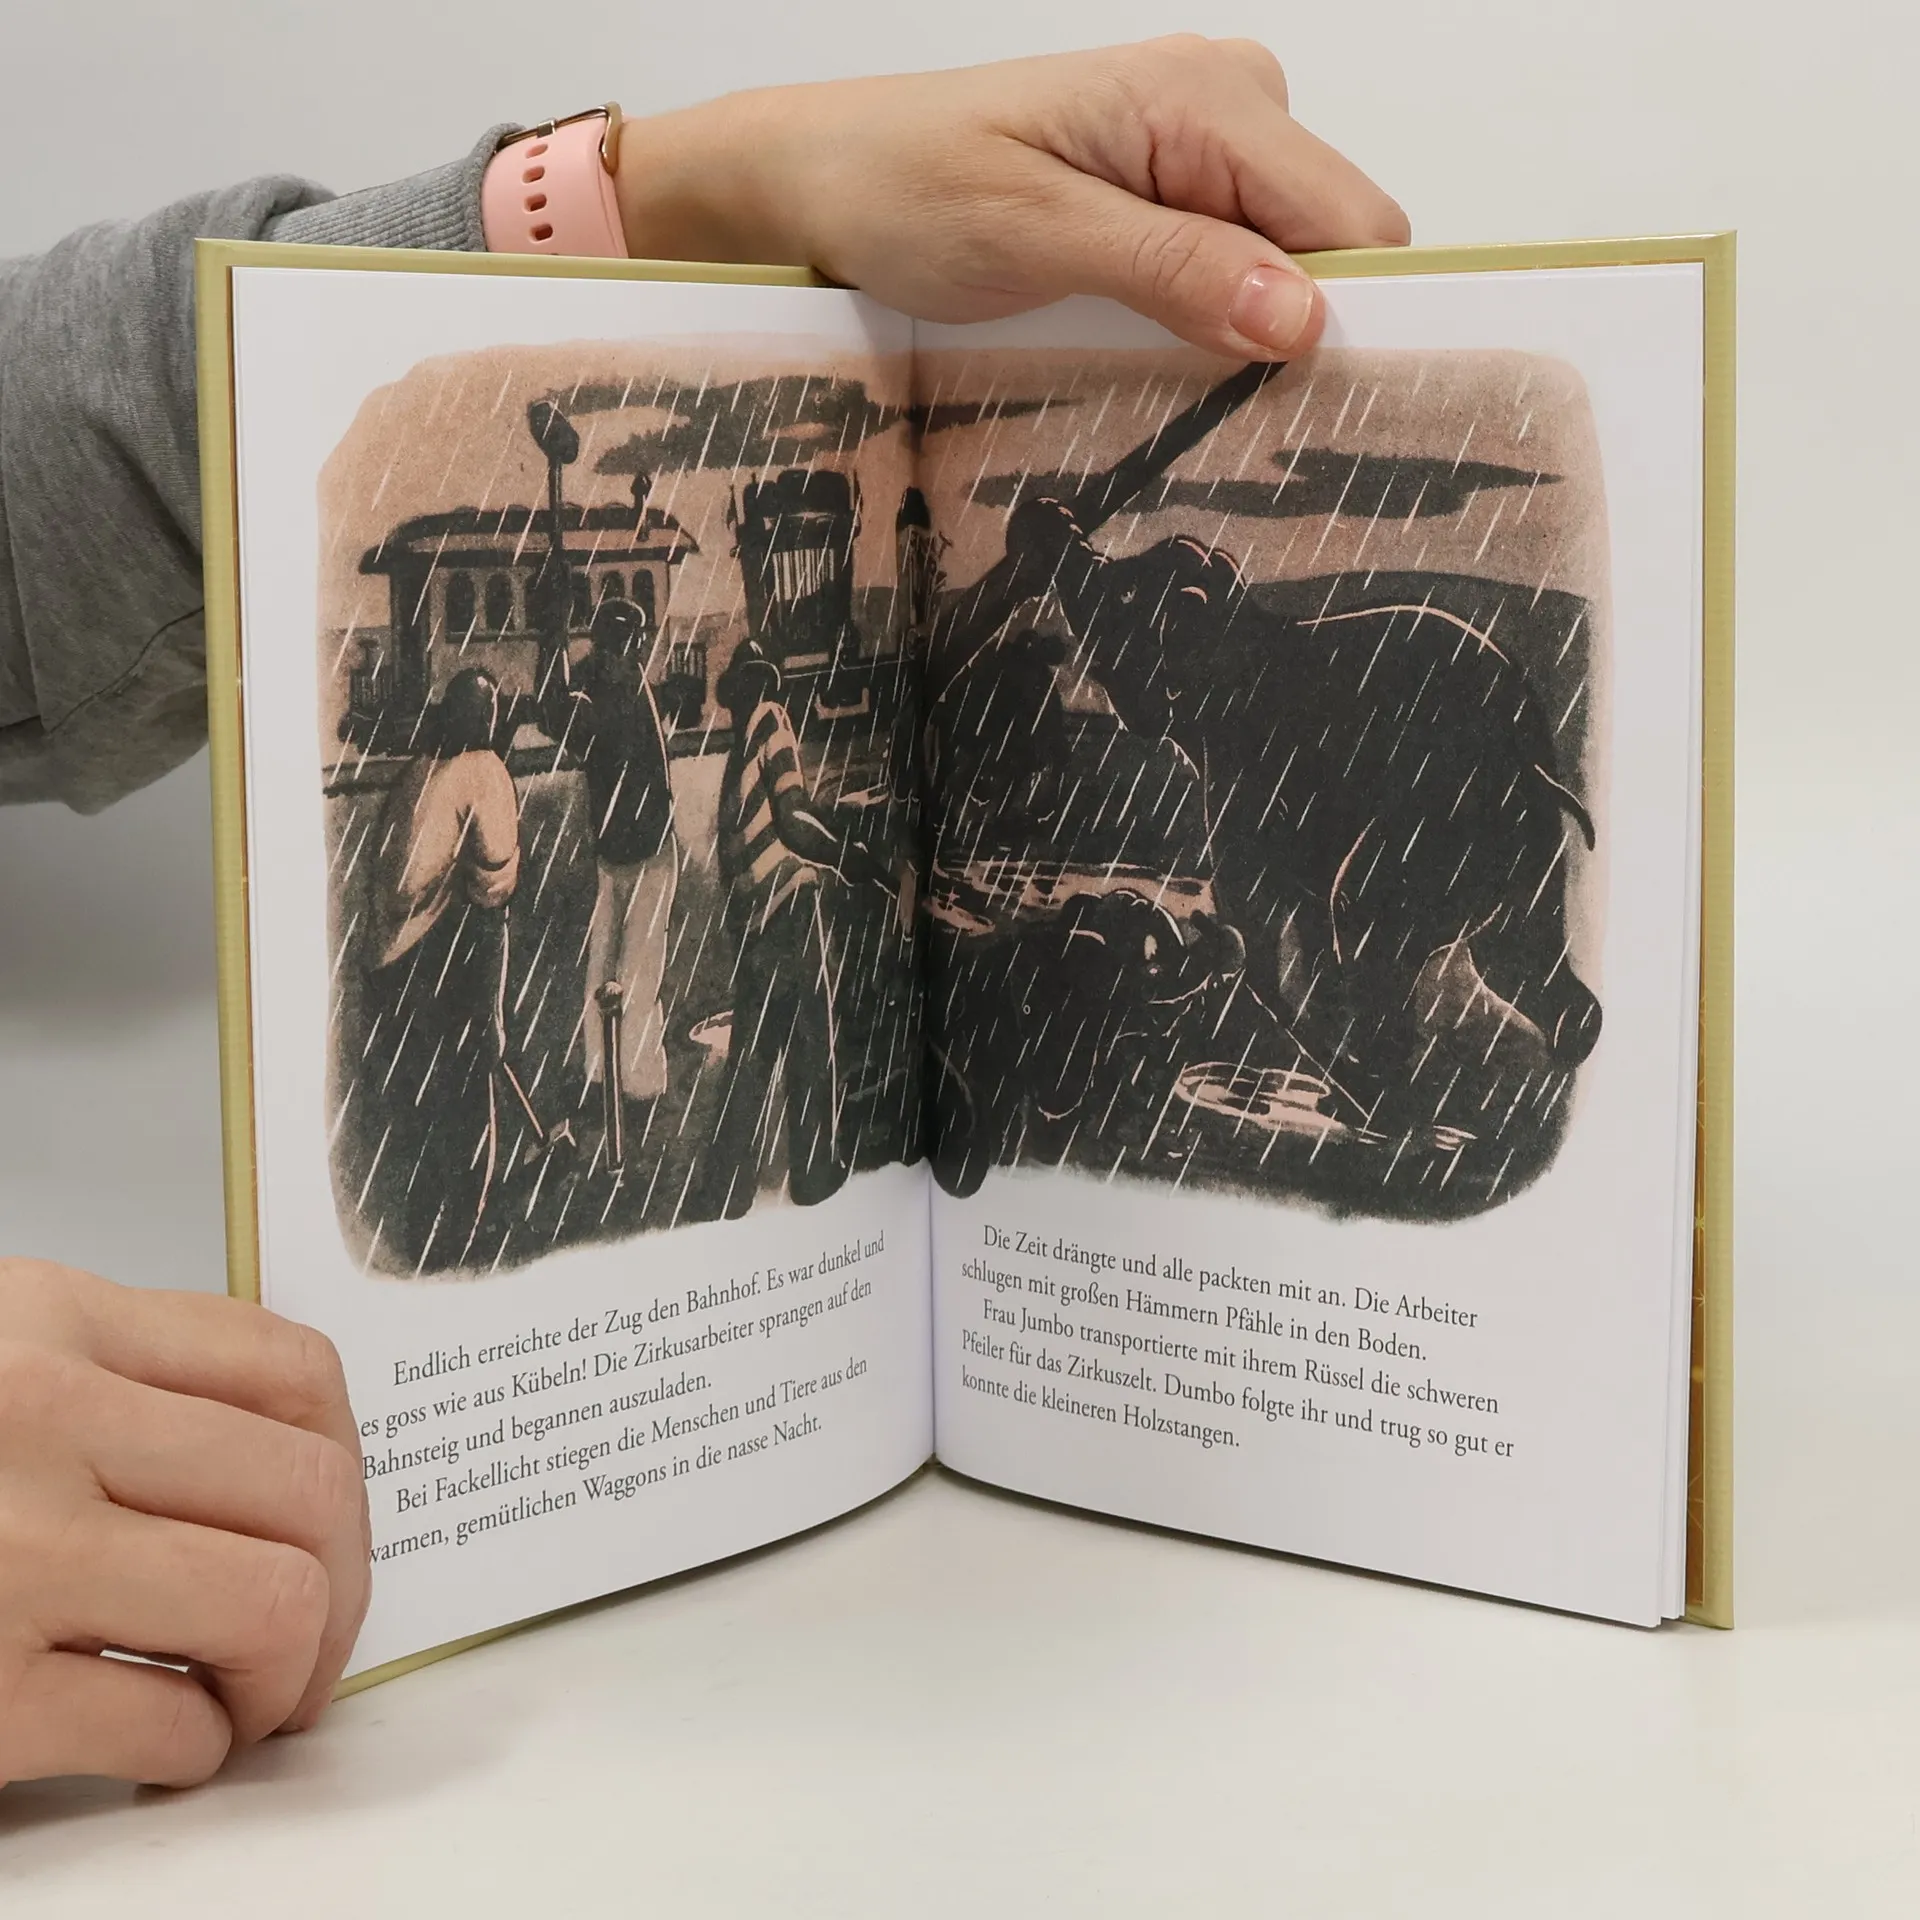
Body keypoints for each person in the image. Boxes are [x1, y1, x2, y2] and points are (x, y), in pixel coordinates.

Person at [0, 37, 1406, 1788]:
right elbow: (630, 844)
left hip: (666, 902)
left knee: (693, 1011)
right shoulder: (654, 742)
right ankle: (699, 1140)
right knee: (668, 1017)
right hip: (641, 936)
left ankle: (710, 1129)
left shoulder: (688, 730)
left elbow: (50, 499)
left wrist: (655, 193)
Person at [701, 645, 890, 1218]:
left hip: (754, 923)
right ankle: (814, 1178)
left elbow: (744, 847)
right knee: (812, 1047)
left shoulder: (737, 754)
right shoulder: (773, 721)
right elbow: (794, 820)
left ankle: (725, 1190)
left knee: (752, 1056)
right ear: (765, 684)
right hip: (789, 910)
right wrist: (851, 857)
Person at [361, 667, 522, 1267]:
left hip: (386, 968)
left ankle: (426, 1240)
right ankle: (461, 1242)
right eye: (491, 711)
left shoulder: (418, 772)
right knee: (466, 1106)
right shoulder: (483, 771)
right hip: (427, 960)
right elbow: (493, 899)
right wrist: (493, 1015)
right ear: (484, 720)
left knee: (421, 1109)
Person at [536, 597, 679, 1137]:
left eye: (619, 643)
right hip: (627, 850)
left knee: (628, 973)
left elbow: (558, 716)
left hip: (640, 850)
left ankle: (631, 1086)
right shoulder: (613, 681)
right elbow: (559, 714)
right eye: (616, 642)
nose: (617, 652)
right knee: (614, 970)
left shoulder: (615, 688)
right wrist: (554, 640)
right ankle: (614, 1082)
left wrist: (553, 638)